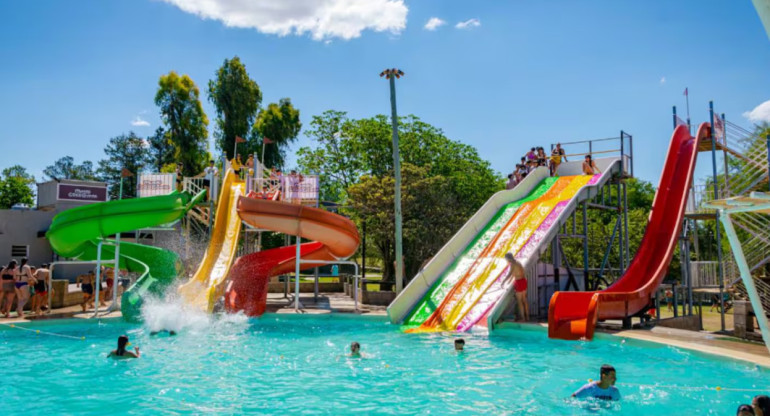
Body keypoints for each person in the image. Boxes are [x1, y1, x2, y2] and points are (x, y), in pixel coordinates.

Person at [505, 253, 529, 321]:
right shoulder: (518, 263)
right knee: (524, 300)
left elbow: (510, 274)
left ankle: (523, 318)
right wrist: (509, 281)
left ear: (508, 259)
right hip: (523, 281)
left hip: (518, 282)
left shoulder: (512, 265)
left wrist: (503, 281)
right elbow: (514, 273)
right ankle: (527, 317)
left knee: (519, 301)